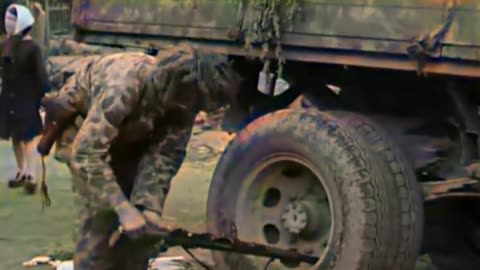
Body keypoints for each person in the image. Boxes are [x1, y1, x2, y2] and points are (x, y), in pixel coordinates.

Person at [43, 43, 242, 270]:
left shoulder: (184, 102)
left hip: (130, 138)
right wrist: (122, 208)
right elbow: (87, 154)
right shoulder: (123, 86)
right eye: (194, 104)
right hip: (85, 136)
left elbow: (165, 155)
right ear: (176, 88)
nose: (196, 112)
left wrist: (149, 207)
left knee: (140, 238)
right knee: (98, 230)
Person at [0, 3, 49, 193]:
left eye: (12, 20)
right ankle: (21, 171)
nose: (8, 24)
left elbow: (41, 76)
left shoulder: (32, 48)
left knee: (28, 136)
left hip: (27, 97)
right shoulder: (5, 44)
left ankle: (31, 174)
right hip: (8, 97)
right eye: (7, 20)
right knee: (15, 135)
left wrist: (44, 95)